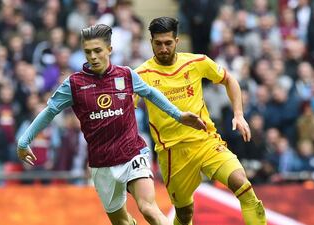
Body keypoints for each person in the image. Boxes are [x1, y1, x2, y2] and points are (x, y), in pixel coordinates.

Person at [17, 24, 206, 225]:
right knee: (121, 221)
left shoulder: (126, 75)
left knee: (149, 209)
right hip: (102, 164)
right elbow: (50, 112)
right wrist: (24, 141)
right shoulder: (74, 84)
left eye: (98, 50)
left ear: (109, 50)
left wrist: (178, 115)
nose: (93, 56)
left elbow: (150, 93)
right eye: (88, 52)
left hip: (132, 153)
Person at [135, 17, 267, 225]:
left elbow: (229, 80)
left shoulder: (197, 62)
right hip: (172, 153)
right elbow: (125, 108)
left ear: (177, 41)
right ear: (151, 42)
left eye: (168, 43)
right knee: (185, 213)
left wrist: (239, 114)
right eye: (158, 43)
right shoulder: (140, 75)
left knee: (243, 185)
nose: (163, 48)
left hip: (205, 141)